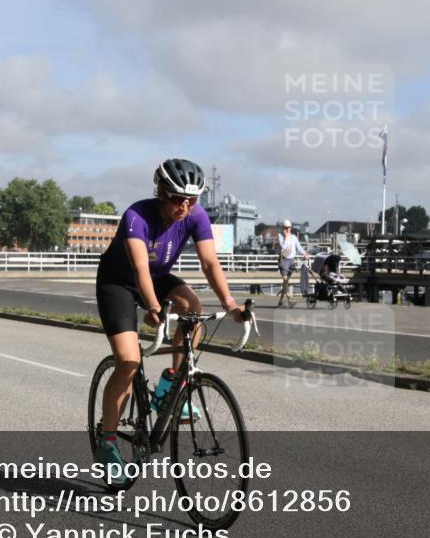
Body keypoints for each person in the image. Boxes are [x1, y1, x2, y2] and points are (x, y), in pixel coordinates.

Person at [95, 158, 245, 485]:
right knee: (129, 361)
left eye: (192, 200)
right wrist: (152, 307)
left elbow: (209, 263)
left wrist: (231, 305)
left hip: (158, 276)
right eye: (178, 199)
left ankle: (171, 384)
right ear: (161, 193)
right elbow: (139, 269)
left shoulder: (195, 215)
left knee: (193, 308)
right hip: (118, 282)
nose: (185, 207)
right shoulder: (136, 216)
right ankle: (107, 442)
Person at [276, 219, 307, 307]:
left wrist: (304, 253)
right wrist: (286, 237)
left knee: (285, 282)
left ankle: (280, 301)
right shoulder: (280, 236)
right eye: (286, 227)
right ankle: (289, 300)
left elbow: (299, 247)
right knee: (285, 280)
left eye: (289, 227)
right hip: (283, 260)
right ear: (283, 228)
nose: (287, 229)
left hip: (291, 261)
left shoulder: (294, 237)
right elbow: (283, 247)